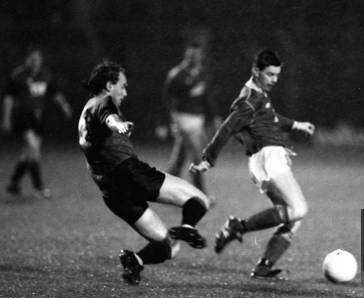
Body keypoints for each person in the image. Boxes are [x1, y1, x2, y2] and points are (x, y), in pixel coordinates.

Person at [78, 60, 212, 285]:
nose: (125, 92)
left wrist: (115, 124)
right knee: (200, 199)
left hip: (111, 192)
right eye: (122, 85)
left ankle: (135, 261)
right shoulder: (103, 101)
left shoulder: (86, 110)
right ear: (109, 86)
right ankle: (187, 227)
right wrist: (118, 125)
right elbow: (109, 116)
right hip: (130, 175)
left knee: (169, 246)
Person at [190, 49, 315, 279]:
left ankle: (263, 267)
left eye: (277, 75)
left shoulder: (259, 96)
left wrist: (297, 124)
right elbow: (226, 128)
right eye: (269, 74)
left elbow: (272, 119)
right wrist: (207, 160)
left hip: (267, 159)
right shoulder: (249, 100)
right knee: (299, 209)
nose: (274, 80)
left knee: (293, 217)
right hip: (268, 158)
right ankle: (238, 226)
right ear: (256, 71)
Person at [2, 47, 73, 198]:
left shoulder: (46, 75)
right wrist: (6, 119)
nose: (34, 62)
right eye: (32, 59)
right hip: (22, 116)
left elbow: (54, 92)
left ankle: (14, 184)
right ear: (26, 60)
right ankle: (39, 187)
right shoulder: (18, 75)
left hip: (38, 118)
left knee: (27, 154)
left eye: (37, 59)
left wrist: (64, 106)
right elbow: (8, 98)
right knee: (34, 150)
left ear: (41, 60)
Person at [162, 41, 222, 199]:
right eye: (191, 54)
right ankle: (201, 194)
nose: (194, 58)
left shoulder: (202, 73)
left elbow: (207, 98)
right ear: (186, 55)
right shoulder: (176, 74)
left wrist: (214, 116)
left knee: (179, 160)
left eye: (197, 55)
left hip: (198, 120)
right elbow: (168, 100)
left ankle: (163, 189)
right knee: (197, 157)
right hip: (183, 120)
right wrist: (170, 121)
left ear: (201, 56)